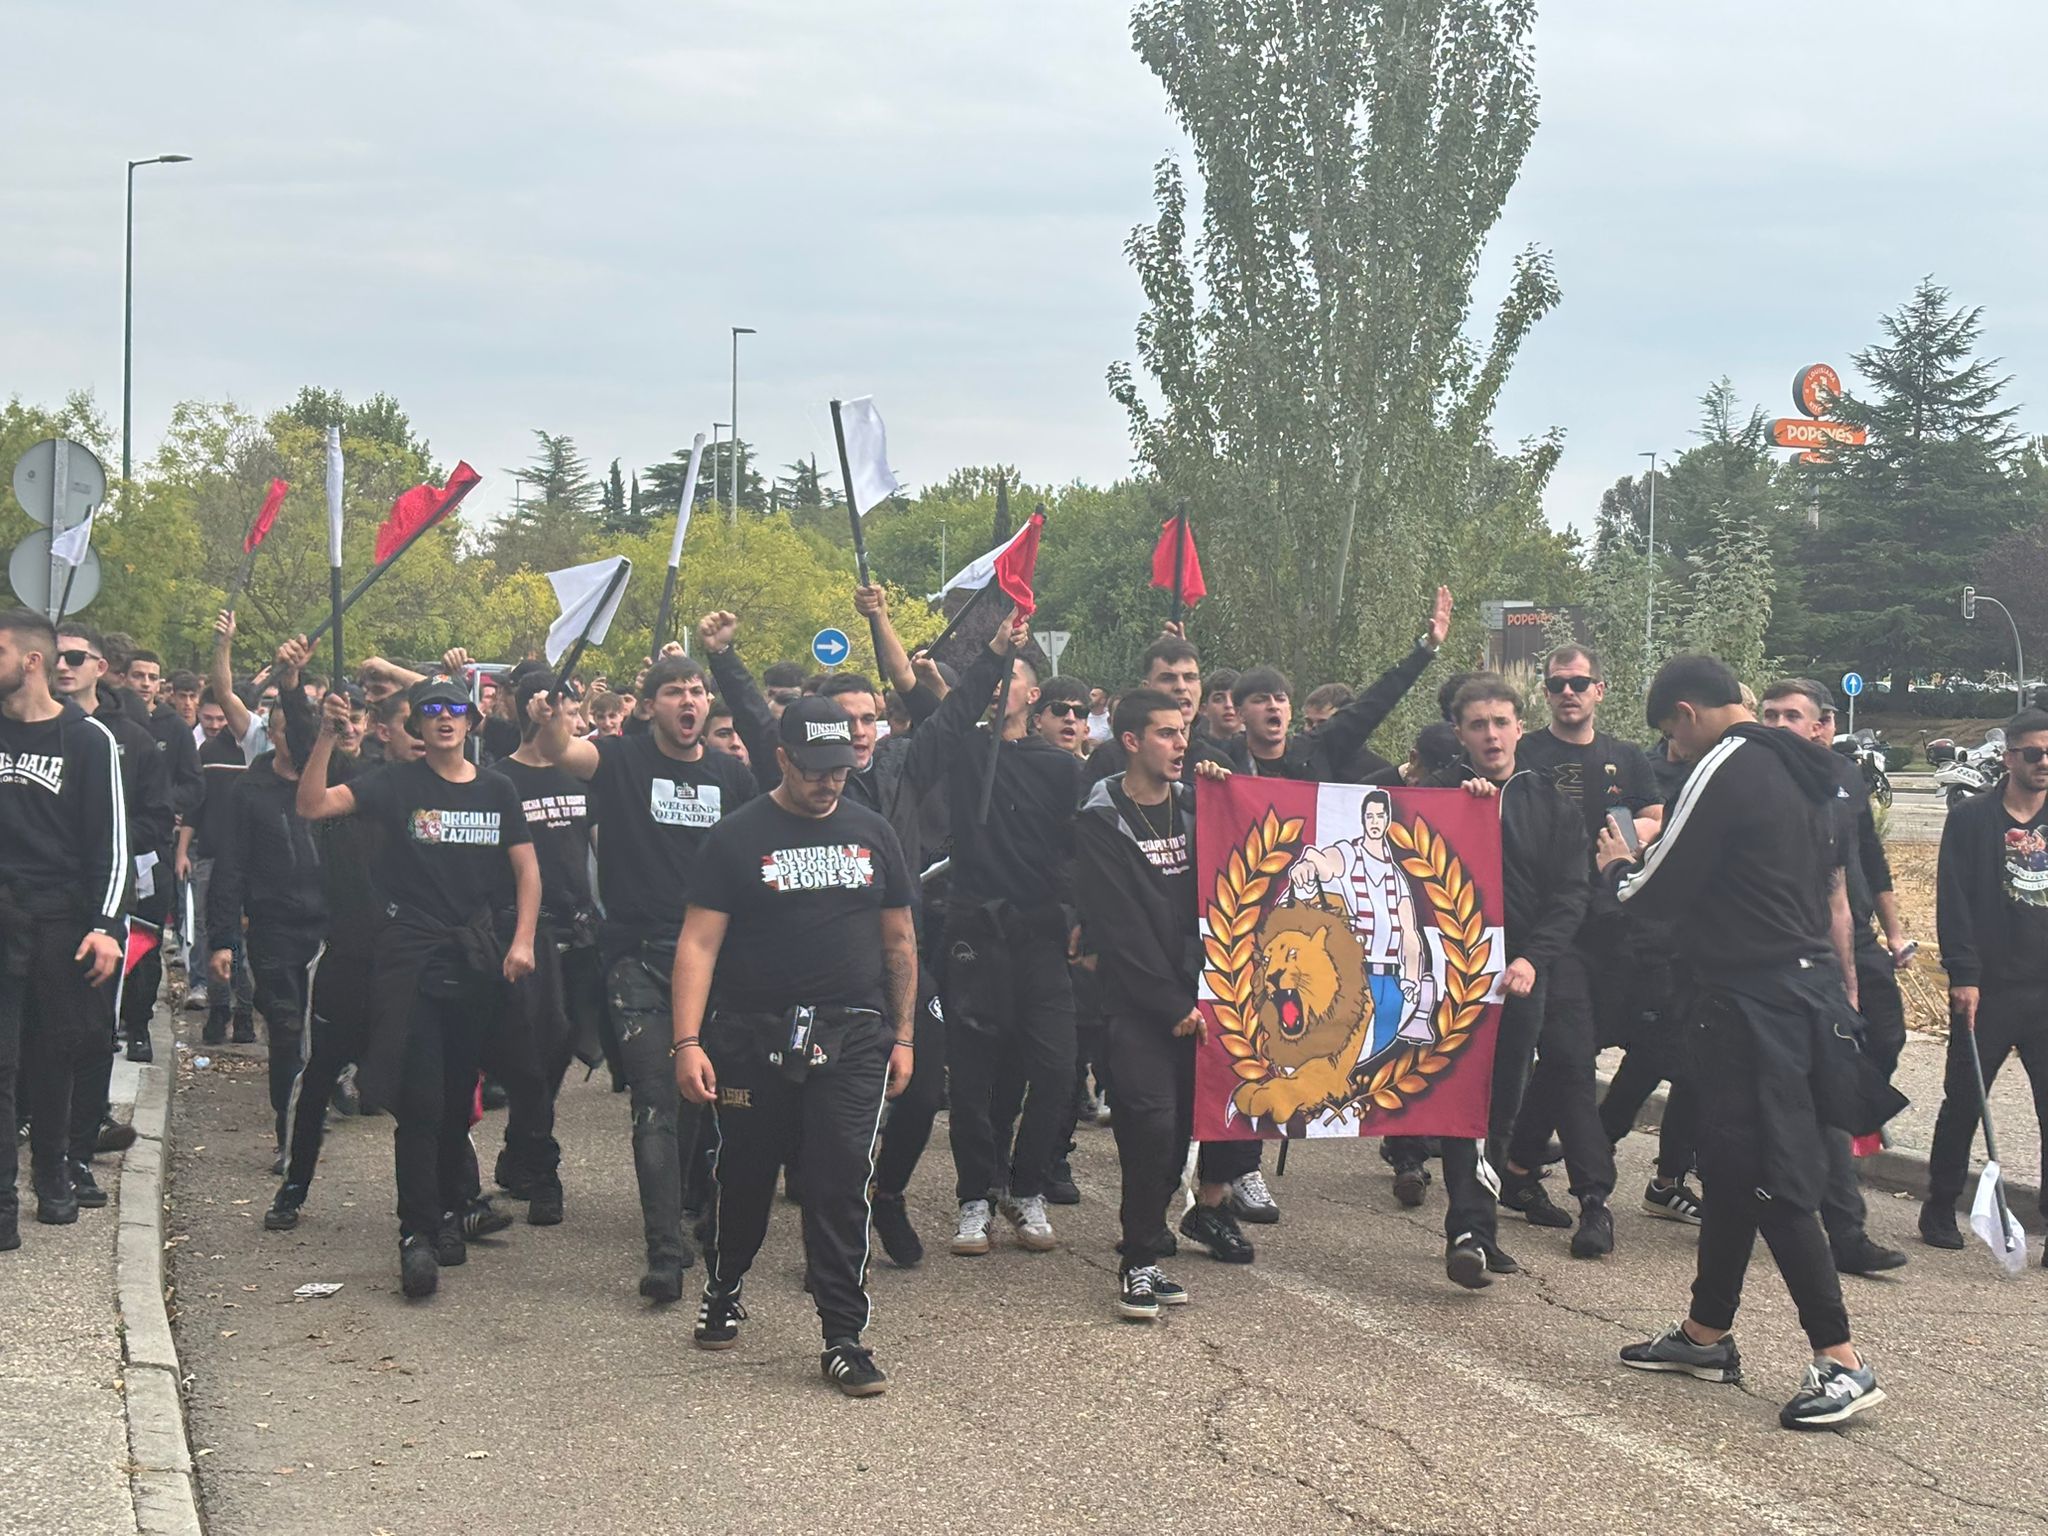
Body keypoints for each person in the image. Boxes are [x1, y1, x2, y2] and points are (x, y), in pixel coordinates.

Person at [1599, 654, 1887, 1430]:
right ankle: (1706, 1332)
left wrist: (1619, 864)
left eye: (1669, 737)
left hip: (1754, 1001)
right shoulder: (1803, 764)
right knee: (1730, 1168)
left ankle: (1841, 1359)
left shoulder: (1727, 763)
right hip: (1794, 991)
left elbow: (1658, 892)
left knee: (1771, 1177)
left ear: (1686, 714)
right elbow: (1824, 885)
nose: (1670, 753)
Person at [672, 695, 917, 1396]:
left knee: (839, 1180)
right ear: (781, 759)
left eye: (839, 769)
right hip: (752, 1037)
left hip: (854, 1036)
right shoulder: (735, 838)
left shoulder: (873, 834)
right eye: (813, 770)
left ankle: (843, 1335)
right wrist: (686, 1040)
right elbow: (698, 942)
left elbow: (898, 941)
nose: (828, 782)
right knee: (744, 1174)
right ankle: (725, 1283)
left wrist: (904, 1036)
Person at [296, 680, 539, 1300]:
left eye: (454, 710)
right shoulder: (392, 782)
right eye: (429, 712)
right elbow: (313, 806)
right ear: (414, 727)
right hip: (411, 958)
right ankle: (417, 1234)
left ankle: (451, 1214)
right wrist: (327, 734)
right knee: (422, 1100)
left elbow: (526, 870)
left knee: (461, 1099)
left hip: (477, 959)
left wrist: (523, 941)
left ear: (473, 720)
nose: (443, 720)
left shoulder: (496, 788)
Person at [526, 652, 757, 1302]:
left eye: (697, 691)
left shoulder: (732, 776)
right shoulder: (621, 759)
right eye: (675, 691)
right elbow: (562, 753)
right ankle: (664, 1252)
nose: (689, 701)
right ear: (648, 703)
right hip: (639, 959)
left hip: (718, 963)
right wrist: (549, 717)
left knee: (706, 1102)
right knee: (655, 1098)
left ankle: (694, 1212)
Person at [1413, 675, 1587, 1287]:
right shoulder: (1434, 796)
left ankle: (1479, 1227)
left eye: (1500, 722)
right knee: (1461, 1100)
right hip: (1447, 975)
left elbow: (1571, 894)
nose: (1490, 734)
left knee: (1501, 1105)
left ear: (1519, 726)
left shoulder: (1551, 803)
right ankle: (1468, 1230)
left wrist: (1534, 958)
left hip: (1519, 977)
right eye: (1477, 724)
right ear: (1459, 733)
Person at [1496, 645, 1662, 1258]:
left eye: (1580, 683)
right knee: (1569, 1055)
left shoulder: (1624, 756)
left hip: (1613, 928)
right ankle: (1595, 1199)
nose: (1569, 692)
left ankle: (1516, 1169)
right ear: (1545, 694)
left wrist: (1630, 838)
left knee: (1570, 1058)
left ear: (1600, 689)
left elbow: (1653, 813)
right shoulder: (1528, 755)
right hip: (1547, 934)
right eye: (1558, 684)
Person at [931, 610, 1085, 1258]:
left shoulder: (1061, 768)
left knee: (1055, 1068)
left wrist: (1078, 917)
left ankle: (1027, 1189)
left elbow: (1082, 848)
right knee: (971, 1077)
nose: (999, 689)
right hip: (973, 932)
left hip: (1040, 938)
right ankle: (974, 1196)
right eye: (993, 680)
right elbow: (947, 711)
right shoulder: (965, 751)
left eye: (1011, 679)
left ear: (1033, 696)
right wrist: (994, 653)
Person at [1757, 679, 1909, 1275]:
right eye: (1767, 714)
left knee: (1883, 1039)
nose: (1776, 724)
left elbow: (1863, 863)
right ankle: (1842, 1227)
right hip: (1784, 952)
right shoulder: (1751, 780)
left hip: (1850, 939)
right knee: (1814, 1089)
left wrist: (1889, 937)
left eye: (1789, 715)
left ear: (1823, 724)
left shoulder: (1844, 779)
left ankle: (1840, 1140)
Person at [263, 686, 417, 1231]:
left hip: (407, 962)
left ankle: (454, 1193)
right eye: (412, 725)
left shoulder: (442, 794)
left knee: (426, 1077)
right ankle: (294, 1185)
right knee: (321, 1071)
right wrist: (312, 710)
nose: (425, 737)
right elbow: (312, 777)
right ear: (385, 730)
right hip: (348, 957)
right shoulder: (358, 787)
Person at [0, 609, 127, 1247]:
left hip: (62, 920)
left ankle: (52, 1178)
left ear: (30, 661)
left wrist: (106, 925)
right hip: (2, 916)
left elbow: (113, 845)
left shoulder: (87, 739)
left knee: (53, 1057)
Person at [1075, 688, 1200, 1319]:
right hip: (1137, 1003)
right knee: (1148, 1124)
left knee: (1177, 1133)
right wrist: (1169, 1001)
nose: (1181, 744)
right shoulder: (1099, 820)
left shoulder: (1199, 809)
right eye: (1166, 734)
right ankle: (1139, 1263)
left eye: (1183, 732)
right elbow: (1118, 924)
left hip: (1202, 1002)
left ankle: (1149, 1236)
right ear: (1131, 741)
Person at [1921, 706, 2048, 1257]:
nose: (2044, 763)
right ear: (2010, 756)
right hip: (1988, 987)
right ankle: (1938, 1206)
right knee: (1964, 1102)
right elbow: (1954, 902)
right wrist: (1963, 974)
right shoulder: (1972, 819)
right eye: (2034, 753)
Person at [488, 671, 606, 1227]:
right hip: (526, 936)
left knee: (563, 1047)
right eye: (567, 707)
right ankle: (543, 1169)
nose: (576, 720)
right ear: (539, 710)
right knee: (531, 1053)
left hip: (581, 931)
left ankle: (520, 1148)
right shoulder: (498, 780)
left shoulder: (583, 776)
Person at [207, 637, 324, 1175]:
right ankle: (289, 1133)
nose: (290, 735)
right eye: (280, 725)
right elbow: (229, 868)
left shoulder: (334, 785)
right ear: (267, 732)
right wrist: (223, 939)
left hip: (329, 928)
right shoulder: (248, 791)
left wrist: (295, 686)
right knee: (285, 1027)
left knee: (325, 1032)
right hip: (273, 928)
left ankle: (322, 1100)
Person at [1198, 670, 1241, 745]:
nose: (1229, 705)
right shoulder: (1193, 750)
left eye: (1235, 698)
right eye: (1219, 699)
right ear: (1204, 709)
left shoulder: (1261, 746)